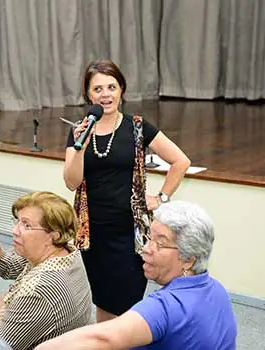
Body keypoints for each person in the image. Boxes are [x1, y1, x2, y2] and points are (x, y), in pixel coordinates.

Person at [64, 59, 191, 322]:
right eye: (97, 89)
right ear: (88, 94)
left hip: (128, 235)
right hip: (92, 235)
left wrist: (161, 198)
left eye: (111, 86)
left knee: (124, 306)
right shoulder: (79, 131)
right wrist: (80, 146)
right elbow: (71, 182)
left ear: (121, 90)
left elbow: (181, 161)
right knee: (102, 302)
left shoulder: (137, 127)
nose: (105, 94)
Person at [36, 200, 237, 350]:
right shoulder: (216, 289)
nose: (146, 249)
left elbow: (104, 338)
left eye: (160, 243)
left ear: (188, 260)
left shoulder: (166, 306)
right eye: (149, 237)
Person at [0, 191, 92, 350]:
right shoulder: (66, 252)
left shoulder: (41, 290)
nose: (15, 230)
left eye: (26, 225)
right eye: (17, 221)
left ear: (52, 236)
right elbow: (10, 266)